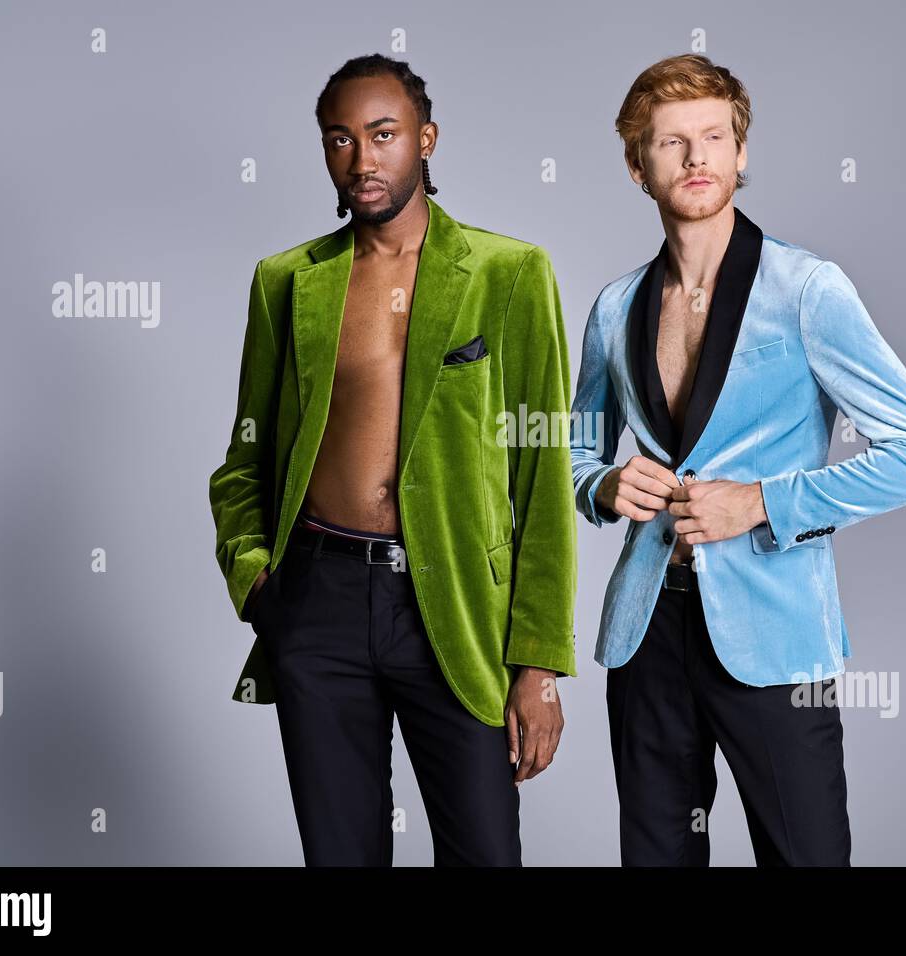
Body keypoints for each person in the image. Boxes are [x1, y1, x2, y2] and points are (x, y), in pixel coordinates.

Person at [569, 54, 906, 865]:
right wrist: (603, 484)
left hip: (775, 635)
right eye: (671, 143)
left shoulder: (807, 289)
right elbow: (573, 456)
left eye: (714, 137)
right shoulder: (614, 307)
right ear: (638, 167)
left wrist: (762, 504)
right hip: (647, 632)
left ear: (741, 155)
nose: (697, 158)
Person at [209, 54, 577, 866]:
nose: (363, 160)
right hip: (317, 598)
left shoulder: (510, 274)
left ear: (427, 139)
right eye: (340, 140)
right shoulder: (287, 282)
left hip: (450, 600)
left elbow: (543, 479)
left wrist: (540, 664)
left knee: (482, 850)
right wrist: (259, 581)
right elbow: (244, 459)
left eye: (383, 135)